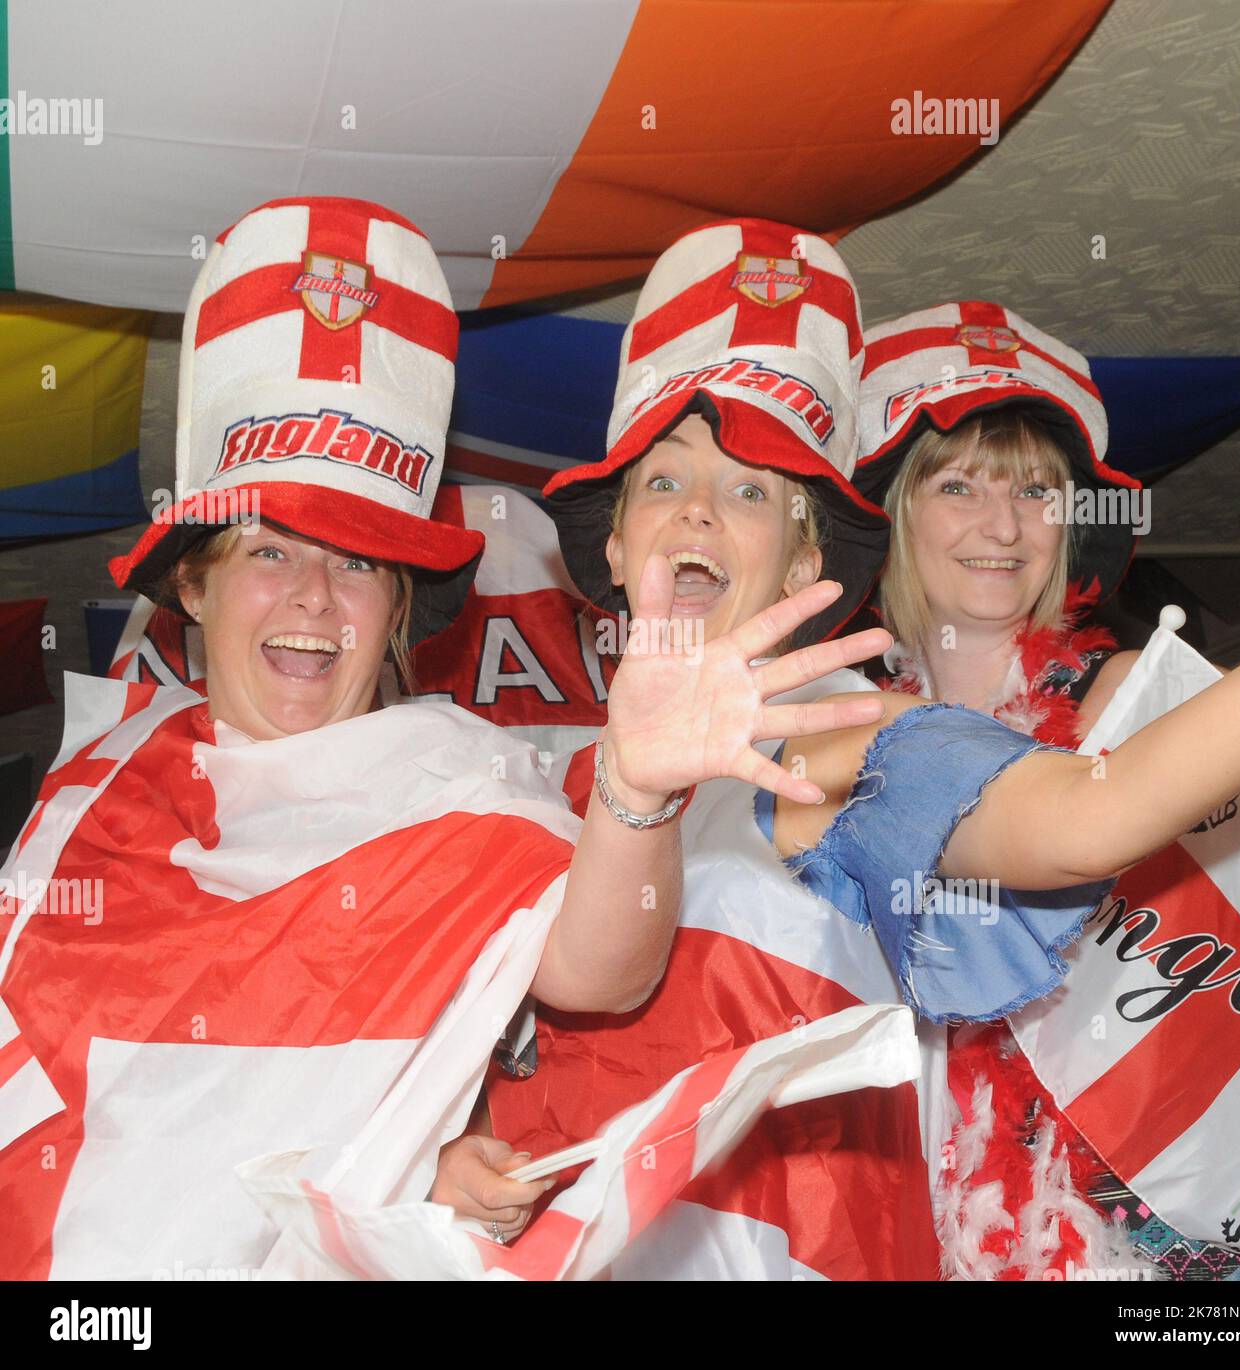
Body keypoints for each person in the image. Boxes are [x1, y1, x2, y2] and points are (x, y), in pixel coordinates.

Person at [0, 199, 886, 1279]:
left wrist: (638, 790)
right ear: (192, 581)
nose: (318, 599)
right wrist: (423, 1163)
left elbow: (597, 973)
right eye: (270, 550)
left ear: (398, 612)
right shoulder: (93, 785)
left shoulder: (456, 785)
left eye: (362, 562)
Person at [489, 220, 1240, 1279]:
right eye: (957, 483)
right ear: (609, 538)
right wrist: (457, 1151)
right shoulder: (500, 774)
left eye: (748, 492)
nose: (1000, 524)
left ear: (804, 562)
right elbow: (529, 1012)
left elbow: (1092, 817)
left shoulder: (843, 735)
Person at [854, 300, 1240, 1279]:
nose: (1003, 526)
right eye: (957, 485)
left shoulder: (1129, 694)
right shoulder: (832, 727)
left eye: (1037, 492)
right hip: (895, 1200)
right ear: (892, 512)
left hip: (1141, 1219)